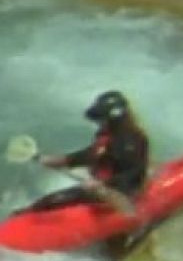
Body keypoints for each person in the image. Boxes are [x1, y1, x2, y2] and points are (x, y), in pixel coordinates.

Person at [21, 90, 150, 215]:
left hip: (122, 192)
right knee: (48, 202)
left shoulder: (131, 142)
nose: (99, 123)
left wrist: (101, 185)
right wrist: (53, 160)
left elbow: (131, 176)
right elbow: (89, 155)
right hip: (100, 188)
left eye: (102, 119)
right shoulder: (107, 136)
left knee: (56, 200)